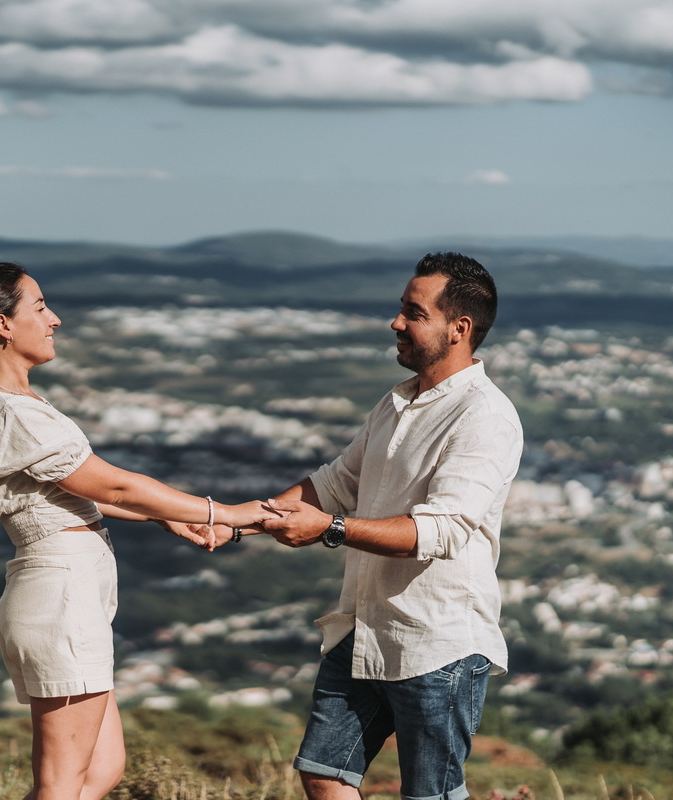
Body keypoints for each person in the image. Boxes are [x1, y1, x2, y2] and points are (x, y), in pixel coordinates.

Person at [0, 261, 275, 800]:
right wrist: (225, 512)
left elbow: (80, 495)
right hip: (59, 598)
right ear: (3, 324)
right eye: (41, 307)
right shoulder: (13, 413)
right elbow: (114, 486)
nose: (55, 320)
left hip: (67, 596)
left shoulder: (11, 406)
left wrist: (175, 516)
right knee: (61, 783)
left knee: (100, 771)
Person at [215, 252, 522, 800]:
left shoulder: (485, 416)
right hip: (363, 629)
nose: (396, 321)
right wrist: (236, 524)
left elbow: (441, 532)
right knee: (324, 772)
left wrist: (330, 529)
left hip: (438, 642)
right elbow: (333, 483)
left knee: (430, 795)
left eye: (413, 312)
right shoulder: (397, 402)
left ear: (460, 329)